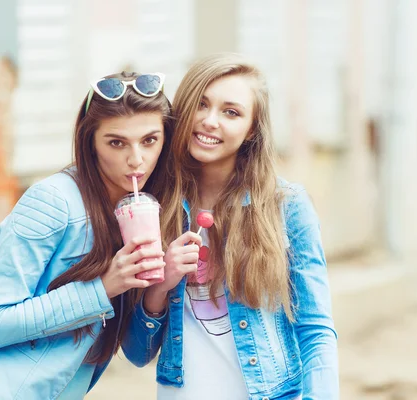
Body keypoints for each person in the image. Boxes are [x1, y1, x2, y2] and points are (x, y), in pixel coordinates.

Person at [0, 71, 194, 400]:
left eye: (149, 140)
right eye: (116, 142)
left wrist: (158, 290)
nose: (136, 159)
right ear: (90, 143)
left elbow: (139, 355)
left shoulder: (146, 213)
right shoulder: (53, 202)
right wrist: (103, 287)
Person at [129, 54, 339, 399]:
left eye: (231, 112)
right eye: (201, 104)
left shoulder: (285, 206)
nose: (210, 121)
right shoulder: (152, 208)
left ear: (252, 128)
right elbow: (138, 353)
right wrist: (160, 285)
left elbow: (315, 330)